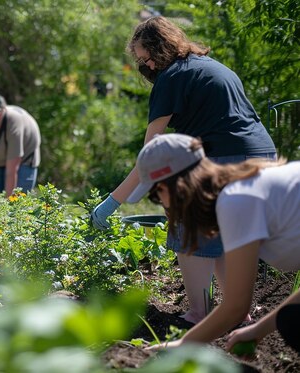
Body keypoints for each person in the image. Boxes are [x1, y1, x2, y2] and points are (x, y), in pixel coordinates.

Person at [90, 16, 276, 324]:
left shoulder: (172, 77)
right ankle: (237, 309)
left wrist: (113, 202)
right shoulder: (208, 66)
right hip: (262, 154)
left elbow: (152, 153)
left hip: (228, 156)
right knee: (222, 233)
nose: (144, 67)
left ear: (159, 50)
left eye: (144, 59)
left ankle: (198, 313)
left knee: (189, 227)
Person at [128, 133, 299, 353]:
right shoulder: (248, 185)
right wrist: (257, 330)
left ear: (171, 185)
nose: (160, 202)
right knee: (290, 318)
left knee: (293, 321)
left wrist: (180, 345)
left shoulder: (237, 200)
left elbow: (237, 306)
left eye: (156, 194)